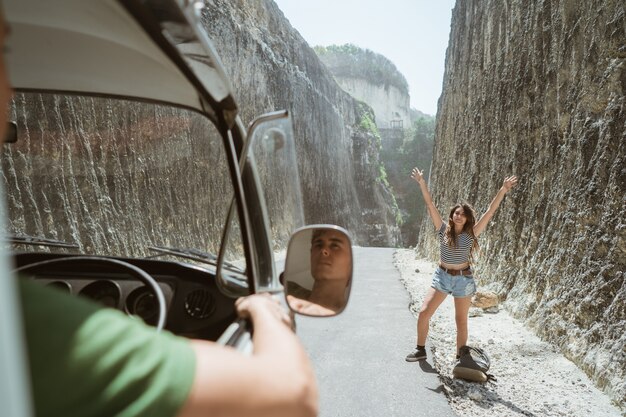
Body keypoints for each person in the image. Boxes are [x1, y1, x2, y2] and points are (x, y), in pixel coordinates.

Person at [0, 11, 318, 417]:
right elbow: (292, 398)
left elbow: (86, 145)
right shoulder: (25, 323)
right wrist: (267, 313)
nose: (10, 83)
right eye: (4, 51)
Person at [405, 167, 518, 362]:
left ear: (466, 218)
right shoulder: (442, 230)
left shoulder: (471, 234)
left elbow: (490, 212)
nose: (458, 216)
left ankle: (460, 359)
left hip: (463, 280)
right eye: (456, 213)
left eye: (462, 214)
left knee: (461, 321)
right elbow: (430, 204)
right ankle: (420, 349)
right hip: (442, 276)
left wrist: (503, 189)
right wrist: (422, 183)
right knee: (424, 312)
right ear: (452, 215)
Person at [286, 228, 352, 316]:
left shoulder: (351, 318)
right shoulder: (287, 290)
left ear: (351, 262)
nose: (323, 250)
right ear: (311, 254)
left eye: (335, 245)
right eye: (319, 244)